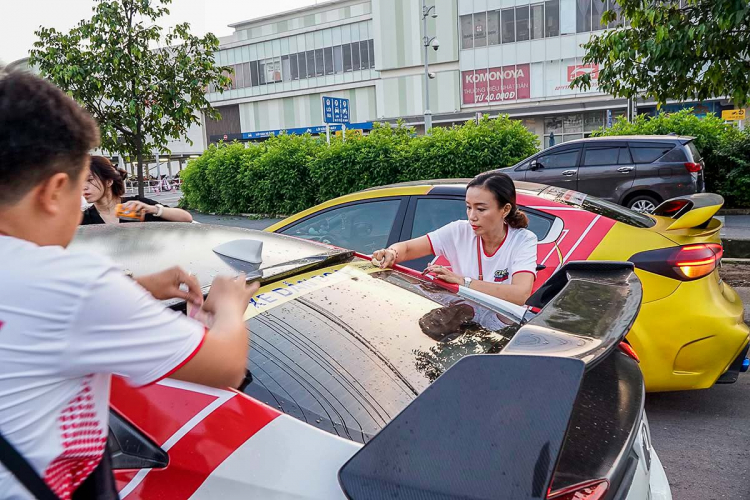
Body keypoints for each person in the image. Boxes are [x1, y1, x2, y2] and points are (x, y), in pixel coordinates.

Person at [0, 72, 258, 499]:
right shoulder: (77, 286)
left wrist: (137, 286)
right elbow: (226, 365)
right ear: (54, 191)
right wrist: (228, 304)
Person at [372, 172, 538, 306]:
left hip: (502, 332)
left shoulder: (523, 240)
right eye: (468, 207)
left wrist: (462, 282)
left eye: (481, 209)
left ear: (505, 209)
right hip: (463, 325)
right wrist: (392, 253)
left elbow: (520, 294)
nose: (472, 216)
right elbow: (407, 248)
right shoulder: (459, 230)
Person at [81, 156, 192, 224]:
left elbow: (186, 218)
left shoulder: (135, 207)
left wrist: (152, 209)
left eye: (89, 179)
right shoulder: (83, 218)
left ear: (109, 181)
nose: (83, 186)